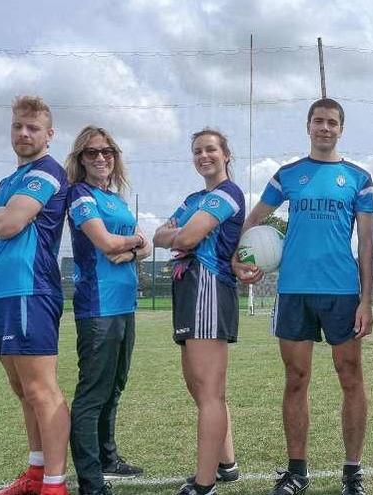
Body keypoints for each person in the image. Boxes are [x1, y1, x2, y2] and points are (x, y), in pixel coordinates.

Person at [233, 98, 373, 495]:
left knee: (350, 377)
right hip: (294, 290)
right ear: (308, 126)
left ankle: (352, 472)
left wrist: (366, 300)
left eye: (332, 122)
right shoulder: (288, 175)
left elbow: (365, 242)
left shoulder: (359, 178)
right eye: (318, 121)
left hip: (342, 293)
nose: (324, 128)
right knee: (296, 379)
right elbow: (256, 217)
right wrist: (238, 254)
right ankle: (297, 472)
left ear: (341, 128)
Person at [0, 95, 71, 495]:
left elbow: (6, 225)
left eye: (32, 128)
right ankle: (36, 472)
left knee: (42, 390)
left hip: (31, 290)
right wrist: (0, 213)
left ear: (49, 134)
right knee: (22, 390)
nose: (24, 134)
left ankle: (55, 485)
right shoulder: (11, 181)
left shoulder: (45, 172)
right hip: (0, 293)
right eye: (17, 126)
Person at [153, 129, 245, 495]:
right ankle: (227, 464)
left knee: (208, 391)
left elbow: (186, 238)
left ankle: (204, 483)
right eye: (197, 151)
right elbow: (158, 236)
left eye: (210, 149)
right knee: (198, 387)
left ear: (226, 155)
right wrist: (175, 234)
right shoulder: (195, 198)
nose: (203, 156)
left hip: (209, 287)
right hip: (187, 288)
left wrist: (180, 235)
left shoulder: (228, 193)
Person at [64, 126, 152, 495]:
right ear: (80, 159)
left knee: (115, 387)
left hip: (124, 305)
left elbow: (144, 249)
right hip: (97, 307)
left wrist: (129, 250)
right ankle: (90, 479)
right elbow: (104, 242)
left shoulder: (115, 198)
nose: (101, 157)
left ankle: (107, 457)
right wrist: (132, 242)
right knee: (93, 392)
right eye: (92, 152)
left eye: (108, 151)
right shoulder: (79, 194)